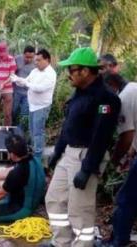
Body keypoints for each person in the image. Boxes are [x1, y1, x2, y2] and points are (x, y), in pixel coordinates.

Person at [43, 47, 121, 247]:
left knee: (79, 210)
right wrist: (56, 153)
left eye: (72, 69)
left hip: (86, 157)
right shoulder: (79, 93)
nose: (68, 74)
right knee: (54, 199)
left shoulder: (106, 99)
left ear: (85, 71)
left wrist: (87, 169)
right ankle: (61, 242)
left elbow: (101, 136)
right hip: (68, 154)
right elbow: (68, 126)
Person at [102, 73, 137, 247]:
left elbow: (126, 135)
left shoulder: (123, 98)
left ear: (112, 85)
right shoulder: (134, 88)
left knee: (125, 198)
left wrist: (113, 161)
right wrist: (131, 152)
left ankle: (118, 242)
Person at [13, 49, 56, 159]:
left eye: (39, 60)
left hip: (41, 107)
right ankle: (34, 151)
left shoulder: (50, 74)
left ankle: (37, 156)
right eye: (35, 60)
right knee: (32, 131)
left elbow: (39, 88)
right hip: (32, 105)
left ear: (47, 60)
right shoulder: (35, 71)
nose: (36, 62)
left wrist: (25, 82)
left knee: (38, 132)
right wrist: (16, 79)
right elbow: (26, 81)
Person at [12, 45, 36, 128]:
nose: (29, 59)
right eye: (27, 57)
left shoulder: (36, 64)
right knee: (13, 111)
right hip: (16, 91)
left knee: (24, 114)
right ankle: (12, 128)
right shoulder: (17, 59)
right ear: (23, 54)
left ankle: (20, 132)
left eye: (31, 58)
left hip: (28, 93)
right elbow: (11, 72)